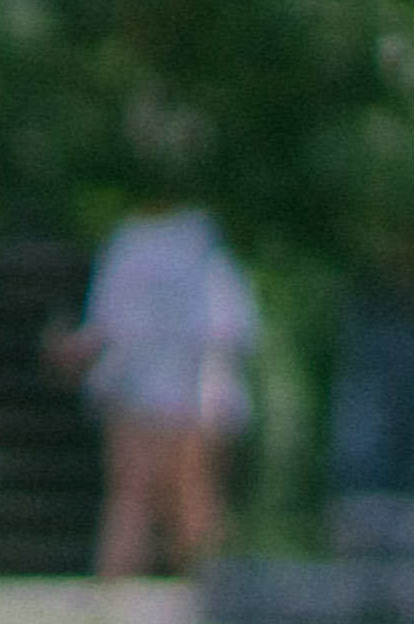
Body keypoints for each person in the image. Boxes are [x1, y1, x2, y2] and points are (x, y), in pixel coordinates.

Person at [53, 201, 261, 598]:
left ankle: (195, 601)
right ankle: (118, 601)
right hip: (147, 393)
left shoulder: (176, 246)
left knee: (179, 500)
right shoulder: (155, 244)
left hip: (175, 393)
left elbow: (219, 335)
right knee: (140, 498)